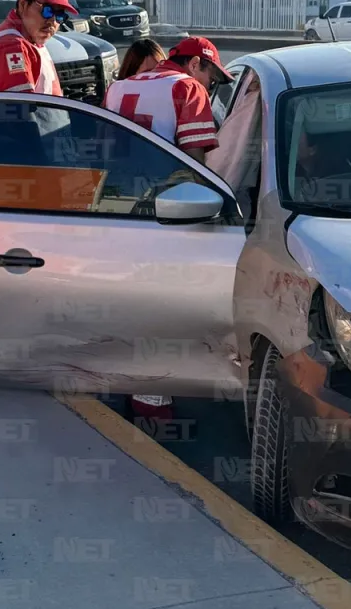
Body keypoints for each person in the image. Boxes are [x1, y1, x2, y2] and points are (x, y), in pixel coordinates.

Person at [103, 36, 235, 423]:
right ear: (196, 64)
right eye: (213, 76)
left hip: (116, 211)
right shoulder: (186, 88)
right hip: (163, 215)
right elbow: (196, 168)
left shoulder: (120, 87)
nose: (212, 87)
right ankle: (152, 406)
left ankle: (128, 390)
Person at [103, 36, 233, 162]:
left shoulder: (115, 88)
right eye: (212, 81)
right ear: (194, 64)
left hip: (116, 180)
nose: (209, 89)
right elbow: (194, 162)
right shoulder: (190, 88)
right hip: (159, 181)